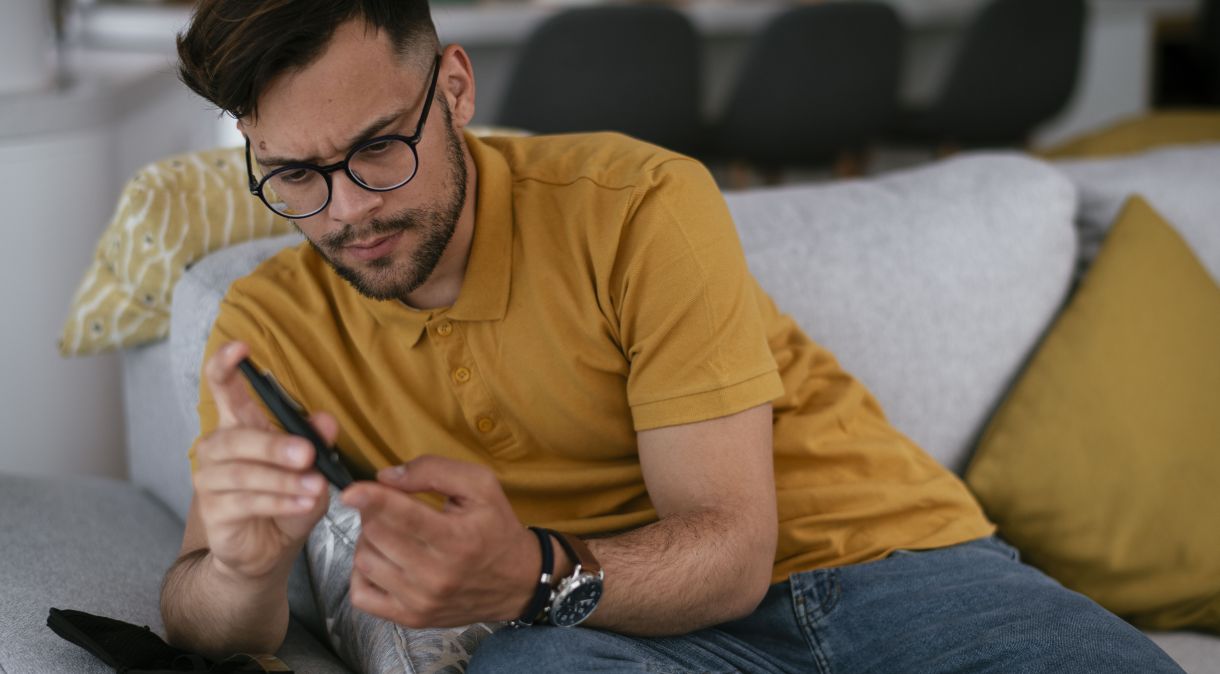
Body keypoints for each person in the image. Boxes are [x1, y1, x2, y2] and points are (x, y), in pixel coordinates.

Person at [160, 1, 1185, 672]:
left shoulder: (635, 202)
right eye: (294, 175)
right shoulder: (269, 325)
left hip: (889, 563)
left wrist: (521, 571)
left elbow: (732, 550)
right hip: (614, 633)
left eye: (379, 148)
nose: (345, 211)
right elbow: (200, 612)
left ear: (456, 92)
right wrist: (245, 569)